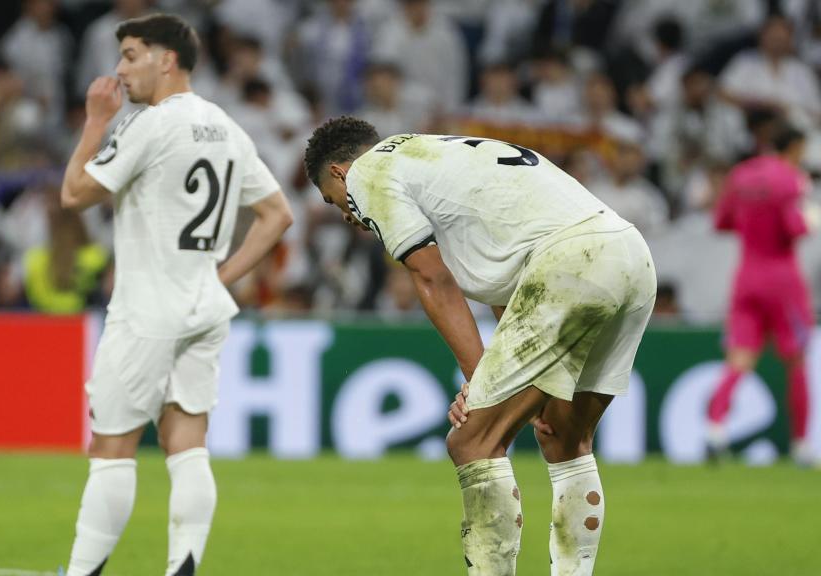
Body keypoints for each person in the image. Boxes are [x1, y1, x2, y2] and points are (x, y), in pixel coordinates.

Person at [304, 117, 656, 576]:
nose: (346, 215)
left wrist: (479, 381)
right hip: (629, 256)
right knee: (565, 436)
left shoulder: (369, 173)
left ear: (339, 172)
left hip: (572, 262)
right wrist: (499, 377)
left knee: (471, 441)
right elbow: (508, 283)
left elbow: (433, 278)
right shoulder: (437, 156)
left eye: (332, 200)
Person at [59, 14, 293, 576]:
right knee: (186, 442)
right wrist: (221, 277)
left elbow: (74, 193)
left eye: (131, 55)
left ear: (166, 60)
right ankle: (181, 568)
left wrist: (96, 121)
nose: (120, 70)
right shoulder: (224, 125)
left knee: (111, 449)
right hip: (203, 307)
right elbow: (277, 214)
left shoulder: (149, 124)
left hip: (146, 309)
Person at [707, 124, 816, 466]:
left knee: (739, 359)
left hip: (747, 277)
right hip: (782, 279)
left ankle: (715, 428)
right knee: (796, 360)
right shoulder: (791, 178)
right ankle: (800, 445)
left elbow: (721, 222)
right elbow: (794, 228)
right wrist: (811, 219)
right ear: (795, 148)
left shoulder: (740, 175)